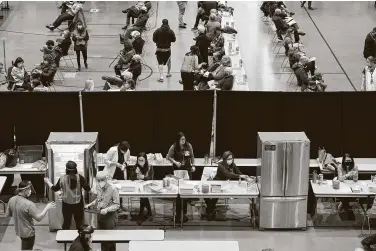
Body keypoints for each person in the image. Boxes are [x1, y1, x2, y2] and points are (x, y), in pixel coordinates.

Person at [6, 180, 56, 250]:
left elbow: (8, 214)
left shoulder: (11, 199)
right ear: (25, 190)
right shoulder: (29, 204)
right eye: (29, 189)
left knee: (24, 245)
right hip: (28, 233)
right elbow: (38, 218)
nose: (30, 191)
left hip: (18, 231)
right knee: (27, 248)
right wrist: (47, 208)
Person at [204, 151, 251, 221]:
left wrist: (243, 177)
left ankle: (209, 211)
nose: (230, 160)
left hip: (225, 184)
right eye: (228, 159)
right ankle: (209, 212)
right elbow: (228, 174)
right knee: (213, 199)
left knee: (213, 200)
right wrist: (240, 176)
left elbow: (238, 172)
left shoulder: (233, 165)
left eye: (231, 158)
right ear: (224, 159)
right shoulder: (220, 165)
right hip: (217, 183)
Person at [44, 161, 91, 230]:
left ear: (66, 169)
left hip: (66, 204)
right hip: (78, 204)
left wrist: (48, 182)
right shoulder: (80, 178)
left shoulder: (62, 178)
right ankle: (81, 238)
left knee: (66, 222)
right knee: (79, 222)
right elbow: (88, 189)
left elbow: (55, 189)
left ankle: (65, 239)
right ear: (76, 169)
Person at [85, 171, 120, 251]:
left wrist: (107, 209)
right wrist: (90, 204)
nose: (100, 183)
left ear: (106, 179)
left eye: (102, 180)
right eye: (98, 181)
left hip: (110, 217)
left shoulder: (113, 189)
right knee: (102, 238)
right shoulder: (98, 187)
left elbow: (117, 205)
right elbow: (98, 199)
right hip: (100, 215)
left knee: (110, 239)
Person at [167, 132, 195, 223]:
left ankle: (184, 213)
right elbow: (168, 157)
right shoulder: (174, 146)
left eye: (184, 139)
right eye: (182, 139)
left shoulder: (188, 145)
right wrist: (175, 162)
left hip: (187, 170)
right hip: (177, 171)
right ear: (178, 140)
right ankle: (178, 213)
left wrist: (193, 165)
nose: (184, 141)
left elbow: (192, 156)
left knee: (185, 191)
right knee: (178, 192)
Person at [132, 152, 154, 224]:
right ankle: (148, 212)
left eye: (142, 160)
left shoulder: (150, 166)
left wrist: (143, 177)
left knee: (143, 196)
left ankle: (141, 213)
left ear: (146, 160)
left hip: (148, 186)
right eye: (139, 160)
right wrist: (135, 173)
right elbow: (131, 178)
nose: (140, 162)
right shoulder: (135, 167)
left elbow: (151, 177)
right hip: (138, 186)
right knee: (143, 196)